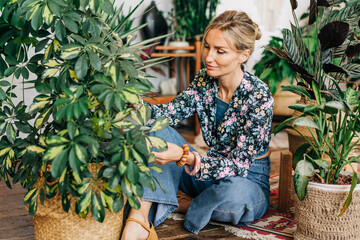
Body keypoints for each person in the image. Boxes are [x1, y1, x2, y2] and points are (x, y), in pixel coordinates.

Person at [121, 10, 274, 240]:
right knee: (157, 130)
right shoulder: (204, 79)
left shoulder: (259, 96)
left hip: (246, 179)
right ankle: (140, 218)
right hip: (205, 171)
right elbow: (167, 115)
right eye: (207, 46)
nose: (208, 57)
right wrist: (133, 101)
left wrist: (188, 157)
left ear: (244, 55)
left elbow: (238, 167)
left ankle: (184, 204)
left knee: (234, 195)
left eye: (220, 51)